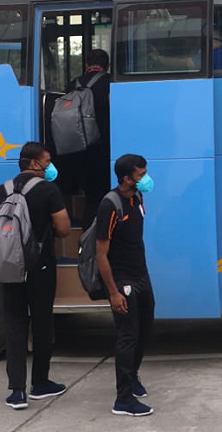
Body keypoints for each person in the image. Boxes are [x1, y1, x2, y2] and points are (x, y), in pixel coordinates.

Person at [0, 142, 71, 409]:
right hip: (40, 267)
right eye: (47, 161)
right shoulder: (47, 189)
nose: (50, 166)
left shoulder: (3, 189)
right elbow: (65, 228)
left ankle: (17, 391)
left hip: (10, 267)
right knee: (42, 322)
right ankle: (40, 383)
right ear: (34, 163)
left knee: (14, 324)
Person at [96, 153, 158, 416]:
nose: (146, 179)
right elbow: (101, 253)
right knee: (127, 336)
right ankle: (123, 399)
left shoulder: (137, 198)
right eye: (141, 175)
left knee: (144, 328)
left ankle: (132, 376)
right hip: (123, 280)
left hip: (141, 275)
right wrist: (113, 292)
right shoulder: (110, 205)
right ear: (126, 178)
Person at [57, 48, 111, 224]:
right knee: (100, 195)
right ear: (107, 65)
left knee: (89, 194)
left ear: (86, 65)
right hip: (102, 147)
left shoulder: (73, 83)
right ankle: (95, 233)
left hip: (76, 148)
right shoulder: (109, 83)